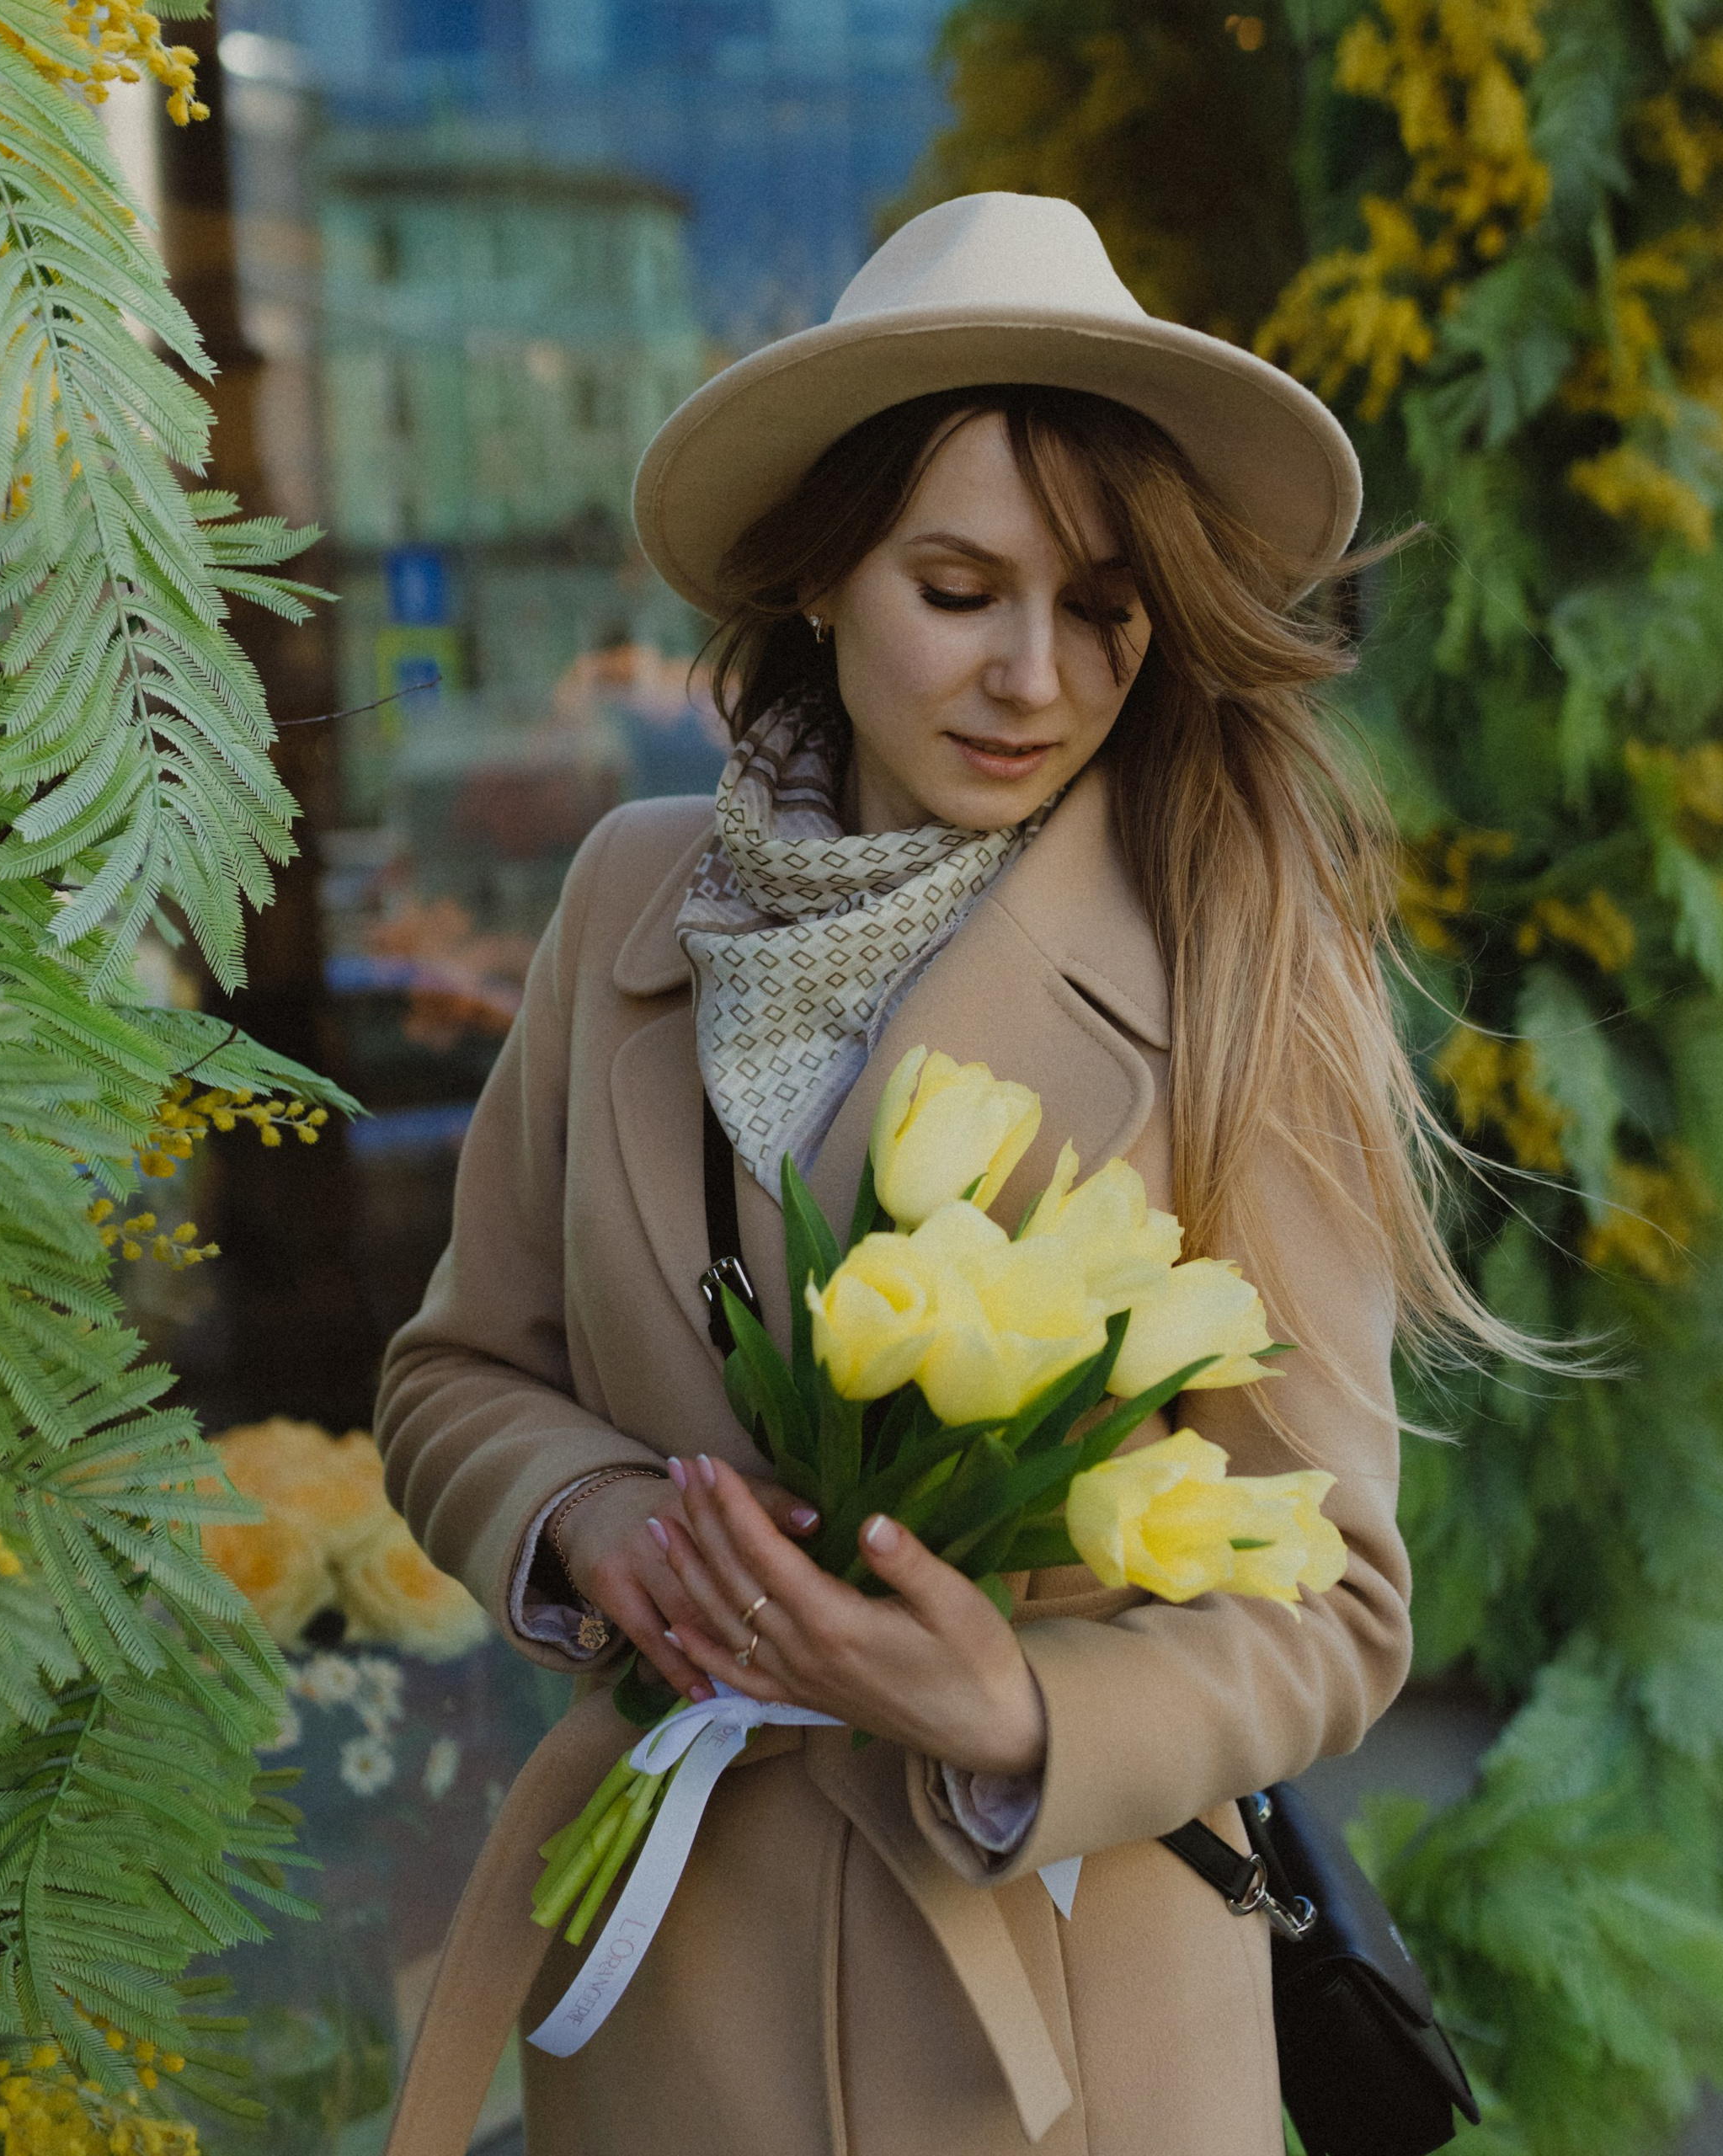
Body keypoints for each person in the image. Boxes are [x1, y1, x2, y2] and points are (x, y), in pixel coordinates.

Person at [376, 192, 1505, 2156]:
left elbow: (1328, 1591)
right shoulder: (627, 895)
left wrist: (1019, 1709)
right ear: (818, 579)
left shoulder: (1234, 951)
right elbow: (455, 1371)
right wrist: (590, 1516)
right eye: (958, 588)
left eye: (1099, 606)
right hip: (672, 2005)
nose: (1035, 678)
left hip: (1070, 2012)